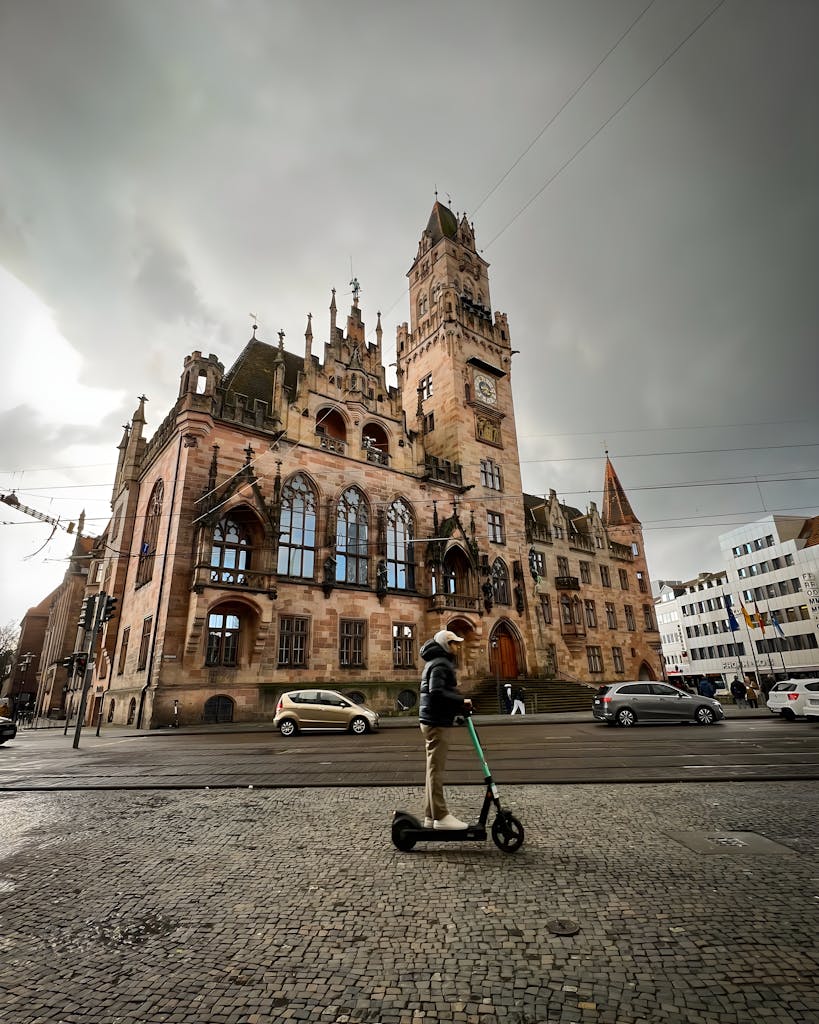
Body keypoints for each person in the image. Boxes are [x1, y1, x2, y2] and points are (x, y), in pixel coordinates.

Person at [418, 629, 472, 830]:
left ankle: (430, 815)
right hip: (436, 721)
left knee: (433, 769)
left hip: (435, 719)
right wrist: (461, 701)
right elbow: (437, 693)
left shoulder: (437, 662)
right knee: (435, 771)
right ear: (445, 645)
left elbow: (441, 692)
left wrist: (458, 706)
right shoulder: (440, 663)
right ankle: (440, 816)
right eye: (454, 643)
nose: (457, 646)